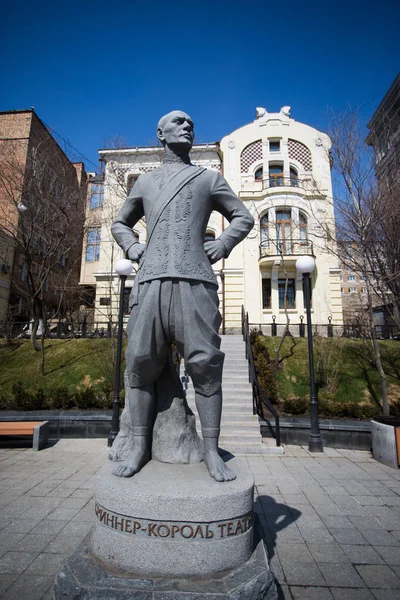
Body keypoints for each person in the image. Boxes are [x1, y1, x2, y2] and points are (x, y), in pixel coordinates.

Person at [111, 110, 254, 482]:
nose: (187, 126)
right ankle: (140, 445)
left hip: (196, 282)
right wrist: (131, 248)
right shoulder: (144, 182)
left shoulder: (208, 178)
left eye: (191, 122)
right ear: (160, 133)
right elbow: (119, 222)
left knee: (205, 364)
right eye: (178, 122)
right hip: (151, 281)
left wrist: (223, 243)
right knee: (140, 362)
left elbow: (243, 216)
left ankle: (210, 450)